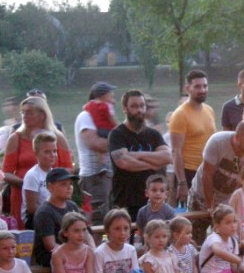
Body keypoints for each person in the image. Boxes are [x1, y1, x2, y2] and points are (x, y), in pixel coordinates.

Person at [2, 96, 73, 229]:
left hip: (53, 195)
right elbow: (5, 173)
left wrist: (51, 183)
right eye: (23, 112)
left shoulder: (56, 137)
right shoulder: (16, 138)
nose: (24, 116)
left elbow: (69, 168)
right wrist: (29, 184)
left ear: (42, 115)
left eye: (29, 112)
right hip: (22, 195)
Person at [109, 89, 172, 221]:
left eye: (142, 106)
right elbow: (123, 162)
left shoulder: (153, 134)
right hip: (126, 202)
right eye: (134, 106)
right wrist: (154, 163)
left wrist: (136, 155)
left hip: (153, 202)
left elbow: (167, 157)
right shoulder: (117, 134)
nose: (139, 110)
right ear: (125, 108)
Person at [168, 70, 217, 205]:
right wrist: (182, 183)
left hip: (209, 170)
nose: (202, 90)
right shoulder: (180, 114)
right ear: (187, 88)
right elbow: (176, 151)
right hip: (189, 172)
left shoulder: (209, 110)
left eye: (205, 86)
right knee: (189, 220)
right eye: (197, 86)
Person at [33, 168, 94, 268]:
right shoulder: (44, 212)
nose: (69, 187)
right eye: (63, 184)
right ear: (50, 187)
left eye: (70, 184)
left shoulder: (72, 206)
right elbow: (50, 246)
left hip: (75, 251)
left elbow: (86, 232)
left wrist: (93, 251)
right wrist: (75, 255)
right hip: (54, 258)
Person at [75, 87, 114, 225]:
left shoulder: (105, 117)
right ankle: (96, 245)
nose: (112, 101)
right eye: (110, 97)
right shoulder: (86, 116)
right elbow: (96, 143)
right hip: (94, 176)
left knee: (109, 217)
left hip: (107, 175)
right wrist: (118, 142)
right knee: (98, 219)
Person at [21, 132, 57, 229]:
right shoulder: (33, 175)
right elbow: (32, 208)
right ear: (36, 153)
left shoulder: (55, 174)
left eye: (54, 151)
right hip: (36, 219)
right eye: (47, 152)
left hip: (52, 213)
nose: (52, 155)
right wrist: (55, 211)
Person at [135, 174, 176, 240]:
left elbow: (172, 231)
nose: (158, 193)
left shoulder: (169, 211)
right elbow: (141, 232)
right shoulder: (142, 212)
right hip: (148, 245)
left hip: (165, 245)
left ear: (166, 194)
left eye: (162, 191)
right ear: (147, 193)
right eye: (154, 190)